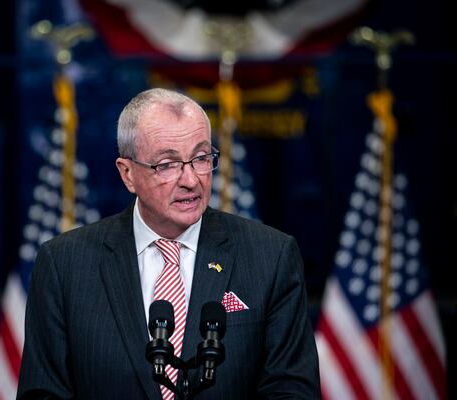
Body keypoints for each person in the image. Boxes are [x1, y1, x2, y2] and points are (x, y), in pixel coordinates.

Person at [17, 88, 320, 399]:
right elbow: (43, 392)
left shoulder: (271, 257)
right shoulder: (64, 264)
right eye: (167, 164)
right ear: (127, 174)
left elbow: (291, 390)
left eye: (201, 158)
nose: (190, 179)